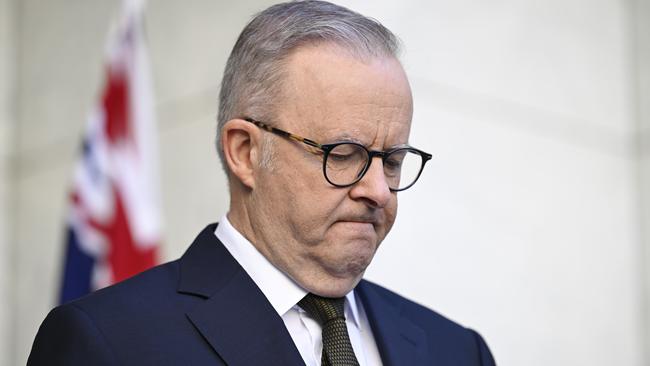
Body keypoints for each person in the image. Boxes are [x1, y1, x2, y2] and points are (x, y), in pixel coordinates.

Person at [28, 1, 496, 365]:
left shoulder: (456, 352)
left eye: (392, 161)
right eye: (344, 154)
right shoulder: (109, 342)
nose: (377, 190)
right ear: (245, 153)